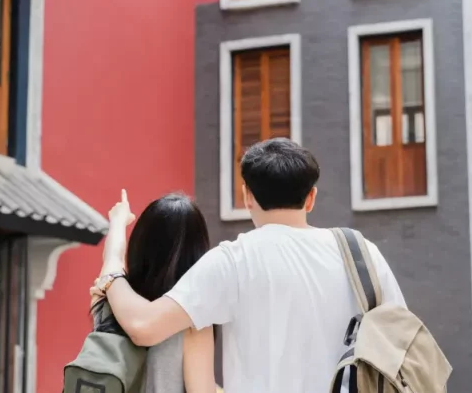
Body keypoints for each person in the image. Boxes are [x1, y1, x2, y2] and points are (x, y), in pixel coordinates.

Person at [95, 138, 407, 393]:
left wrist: (111, 270)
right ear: (310, 198)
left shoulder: (233, 261)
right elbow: (403, 348)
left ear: (247, 196)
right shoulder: (362, 254)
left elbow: (143, 326)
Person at [91, 193, 221, 393]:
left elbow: (112, 258)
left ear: (140, 244)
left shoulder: (107, 296)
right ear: (197, 251)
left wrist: (118, 221)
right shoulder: (193, 320)